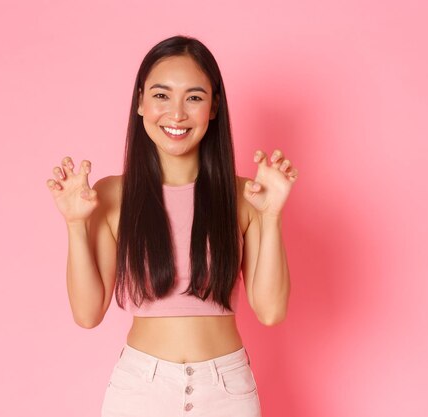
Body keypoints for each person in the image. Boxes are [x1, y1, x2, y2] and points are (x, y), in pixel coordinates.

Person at [45, 35, 298, 417]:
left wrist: (272, 215)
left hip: (226, 392)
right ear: (140, 102)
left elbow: (271, 311)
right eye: (162, 96)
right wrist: (76, 225)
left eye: (194, 97)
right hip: (139, 391)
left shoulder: (247, 195)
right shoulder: (112, 194)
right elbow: (87, 314)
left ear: (213, 107)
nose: (176, 114)